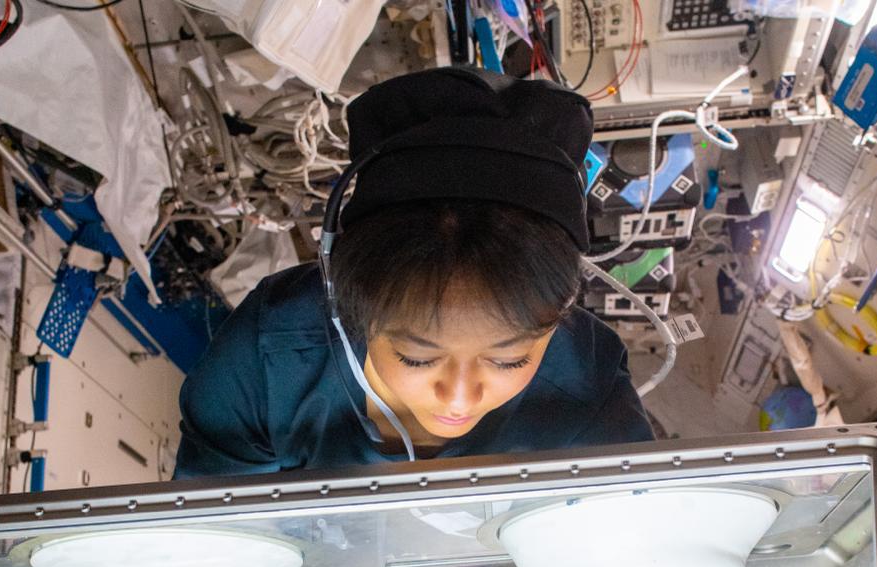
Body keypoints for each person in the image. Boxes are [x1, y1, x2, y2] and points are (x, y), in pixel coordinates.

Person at [174, 66, 653, 479]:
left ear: (557, 319)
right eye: (417, 358)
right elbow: (214, 531)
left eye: (509, 361)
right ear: (344, 302)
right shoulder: (268, 359)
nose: (459, 399)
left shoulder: (587, 384)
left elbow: (631, 527)